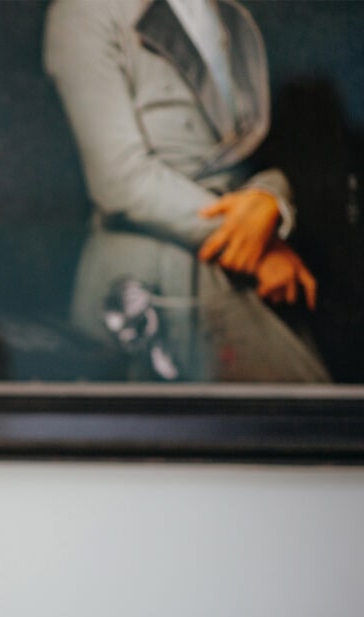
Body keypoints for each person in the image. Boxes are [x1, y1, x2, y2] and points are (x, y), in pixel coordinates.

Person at [43, 0, 330, 382]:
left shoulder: (233, 15)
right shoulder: (84, 12)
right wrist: (261, 249)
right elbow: (120, 182)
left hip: (238, 273)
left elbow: (264, 150)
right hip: (149, 280)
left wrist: (269, 199)